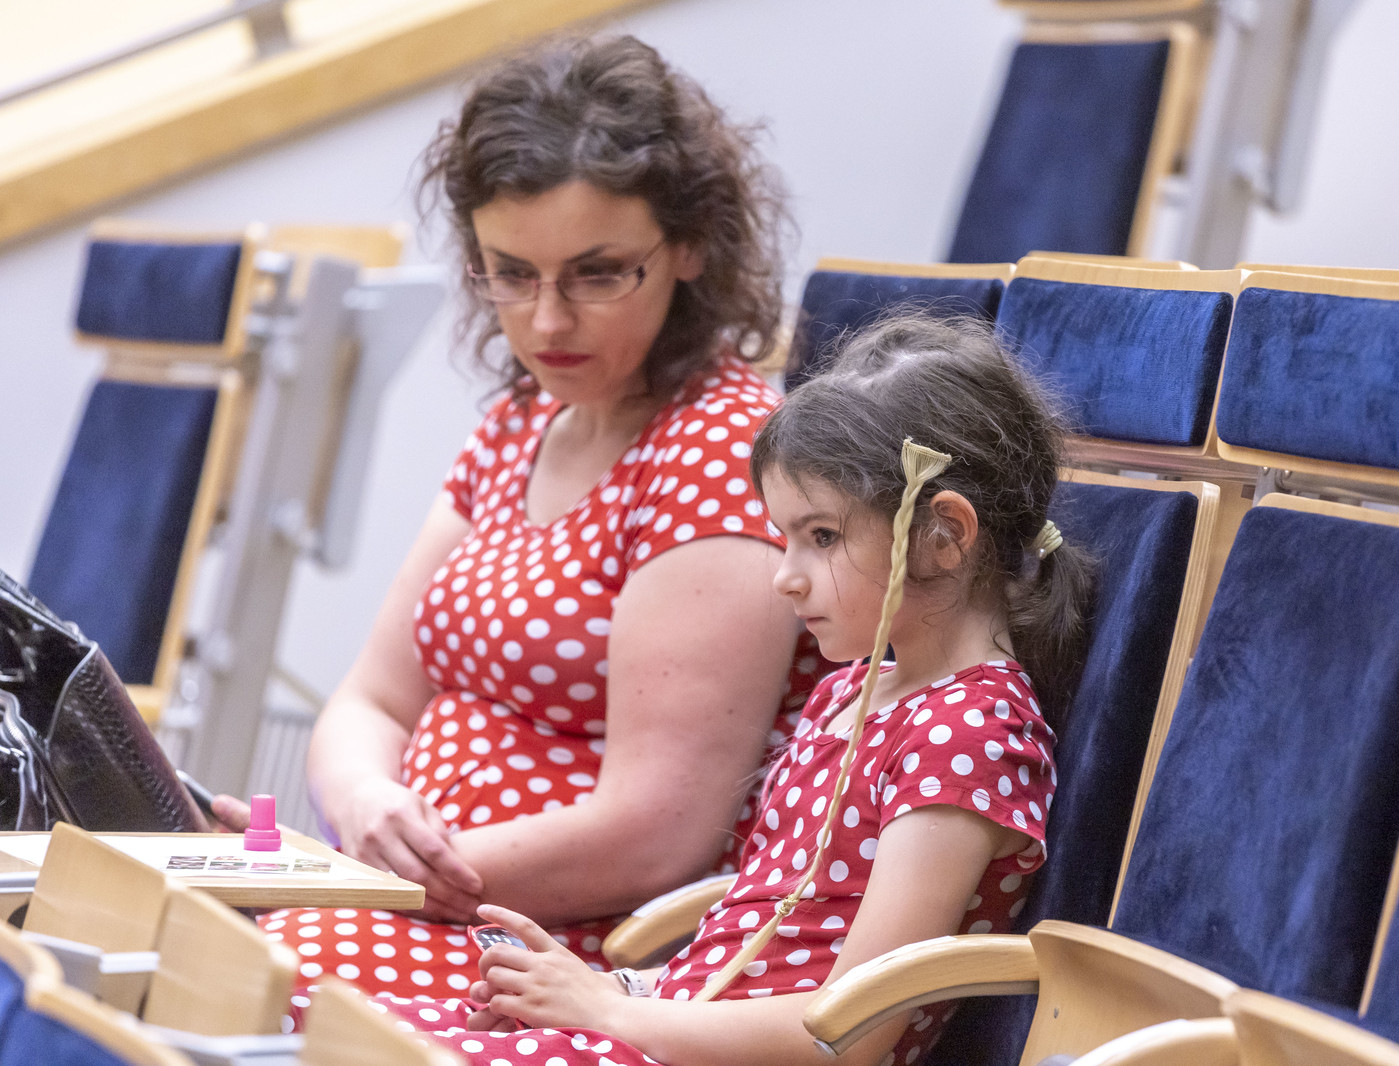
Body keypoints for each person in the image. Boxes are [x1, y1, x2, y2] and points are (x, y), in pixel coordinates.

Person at [368, 313, 1097, 1066]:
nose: (785, 577)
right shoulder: (850, 693)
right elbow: (748, 948)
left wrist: (608, 1013)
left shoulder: (968, 736)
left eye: (821, 537)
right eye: (786, 539)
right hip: (677, 1031)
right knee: (343, 1025)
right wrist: (598, 990)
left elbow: (849, 1033)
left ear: (943, 535)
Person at [261, 33, 825, 996]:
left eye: (597, 273)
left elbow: (656, 834)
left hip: (561, 951)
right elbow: (370, 702)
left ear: (691, 247)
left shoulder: (722, 453)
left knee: (247, 976)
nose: (548, 321)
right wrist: (362, 803)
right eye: (510, 273)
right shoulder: (522, 424)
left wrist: (366, 879)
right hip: (416, 899)